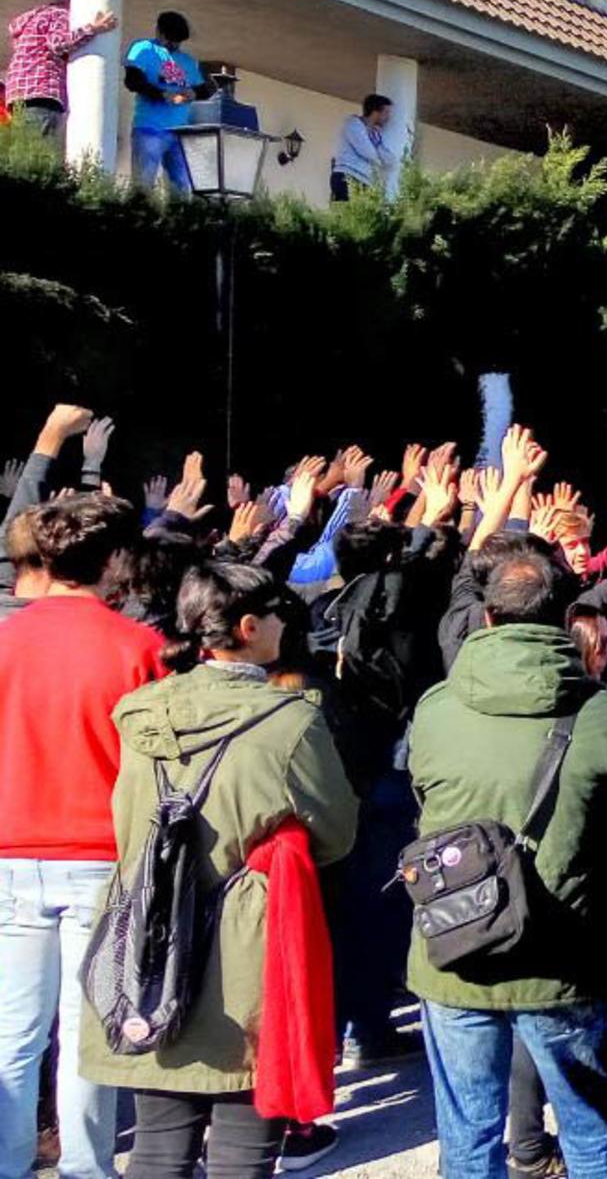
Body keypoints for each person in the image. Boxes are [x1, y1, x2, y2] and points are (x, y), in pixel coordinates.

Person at [82, 562, 359, 1179]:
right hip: (249, 947)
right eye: (280, 613)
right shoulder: (290, 720)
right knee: (243, 1147)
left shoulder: (137, 713)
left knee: (156, 1144)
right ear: (250, 625)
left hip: (146, 936)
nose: (289, 623)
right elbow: (337, 834)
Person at [405, 541, 607, 1179]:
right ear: (564, 618)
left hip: (455, 943)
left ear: (487, 618)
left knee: (468, 1137)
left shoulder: (435, 708)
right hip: (565, 949)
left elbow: (424, 801)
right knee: (590, 1128)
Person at [0, 482, 165, 1179]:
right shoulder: (140, 646)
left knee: (13, 1032)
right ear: (113, 563)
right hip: (103, 852)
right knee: (87, 1036)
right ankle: (87, 1168)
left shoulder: (6, 636)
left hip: (10, 848)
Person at [5, 0, 116, 137]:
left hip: (17, 95)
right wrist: (93, 29)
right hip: (42, 91)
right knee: (40, 152)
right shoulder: (59, 14)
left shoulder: (30, 22)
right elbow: (58, 44)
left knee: (24, 148)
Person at [123, 11, 210, 192]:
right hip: (150, 127)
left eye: (177, 41)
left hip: (179, 132)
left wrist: (193, 93)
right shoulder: (143, 49)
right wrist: (161, 94)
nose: (173, 45)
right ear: (159, 32)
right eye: (170, 39)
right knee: (143, 183)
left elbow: (204, 90)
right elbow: (132, 81)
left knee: (182, 186)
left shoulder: (187, 61)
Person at [330, 93, 396, 201]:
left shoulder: (374, 134)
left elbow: (390, 160)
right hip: (347, 178)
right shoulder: (353, 125)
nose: (388, 118)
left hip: (364, 182)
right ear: (375, 113)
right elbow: (369, 153)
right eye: (386, 113)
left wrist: (377, 144)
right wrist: (376, 150)